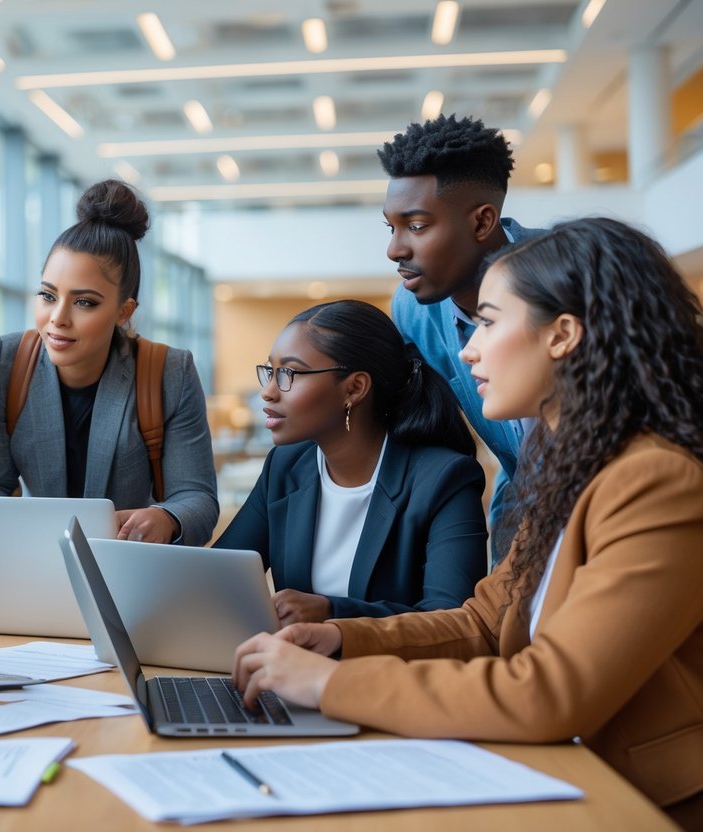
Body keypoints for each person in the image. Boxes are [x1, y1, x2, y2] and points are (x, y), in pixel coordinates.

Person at [232, 218, 703, 827]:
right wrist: (345, 639)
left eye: (488, 322)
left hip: (636, 801)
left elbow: (548, 693)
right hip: (552, 772)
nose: (467, 349)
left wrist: (328, 685)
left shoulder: (655, 480)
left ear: (562, 335)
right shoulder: (573, 466)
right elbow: (484, 621)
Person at [0, 179, 218, 545]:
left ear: (124, 311)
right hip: (36, 567)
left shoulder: (170, 372)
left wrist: (166, 518)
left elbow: (197, 498)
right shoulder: (8, 362)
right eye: (47, 295)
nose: (58, 317)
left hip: (132, 569)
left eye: (84, 302)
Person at [215, 300, 486, 625]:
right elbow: (217, 579)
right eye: (270, 371)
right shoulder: (286, 467)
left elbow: (452, 622)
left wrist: (332, 612)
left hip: (390, 674)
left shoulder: (445, 479)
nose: (269, 392)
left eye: (288, 373)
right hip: (295, 671)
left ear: (355, 388)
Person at [381, 114, 543, 561]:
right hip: (521, 507)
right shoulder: (413, 310)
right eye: (390, 227)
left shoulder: (574, 277)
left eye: (415, 226)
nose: (394, 249)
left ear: (482, 222)